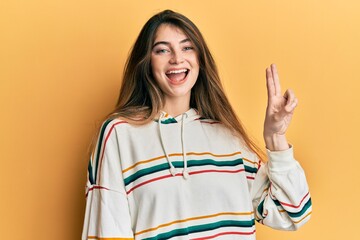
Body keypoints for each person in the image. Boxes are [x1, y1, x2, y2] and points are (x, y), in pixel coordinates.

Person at [82, 9, 312, 240]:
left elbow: (292, 214)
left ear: (200, 59)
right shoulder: (120, 134)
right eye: (162, 50)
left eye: (187, 47)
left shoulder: (229, 137)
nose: (177, 58)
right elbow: (107, 230)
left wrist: (275, 137)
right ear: (147, 62)